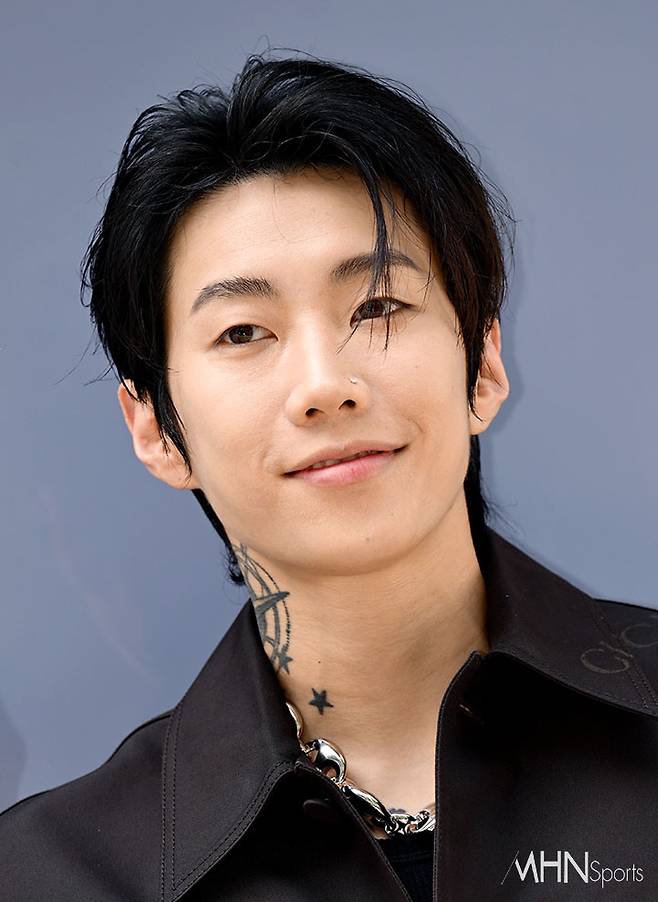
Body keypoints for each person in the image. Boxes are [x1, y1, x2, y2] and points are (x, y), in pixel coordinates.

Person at [2, 50, 657, 902]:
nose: (324, 385)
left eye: (379, 306)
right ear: (157, 429)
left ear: (484, 364)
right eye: (243, 332)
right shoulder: (50, 876)